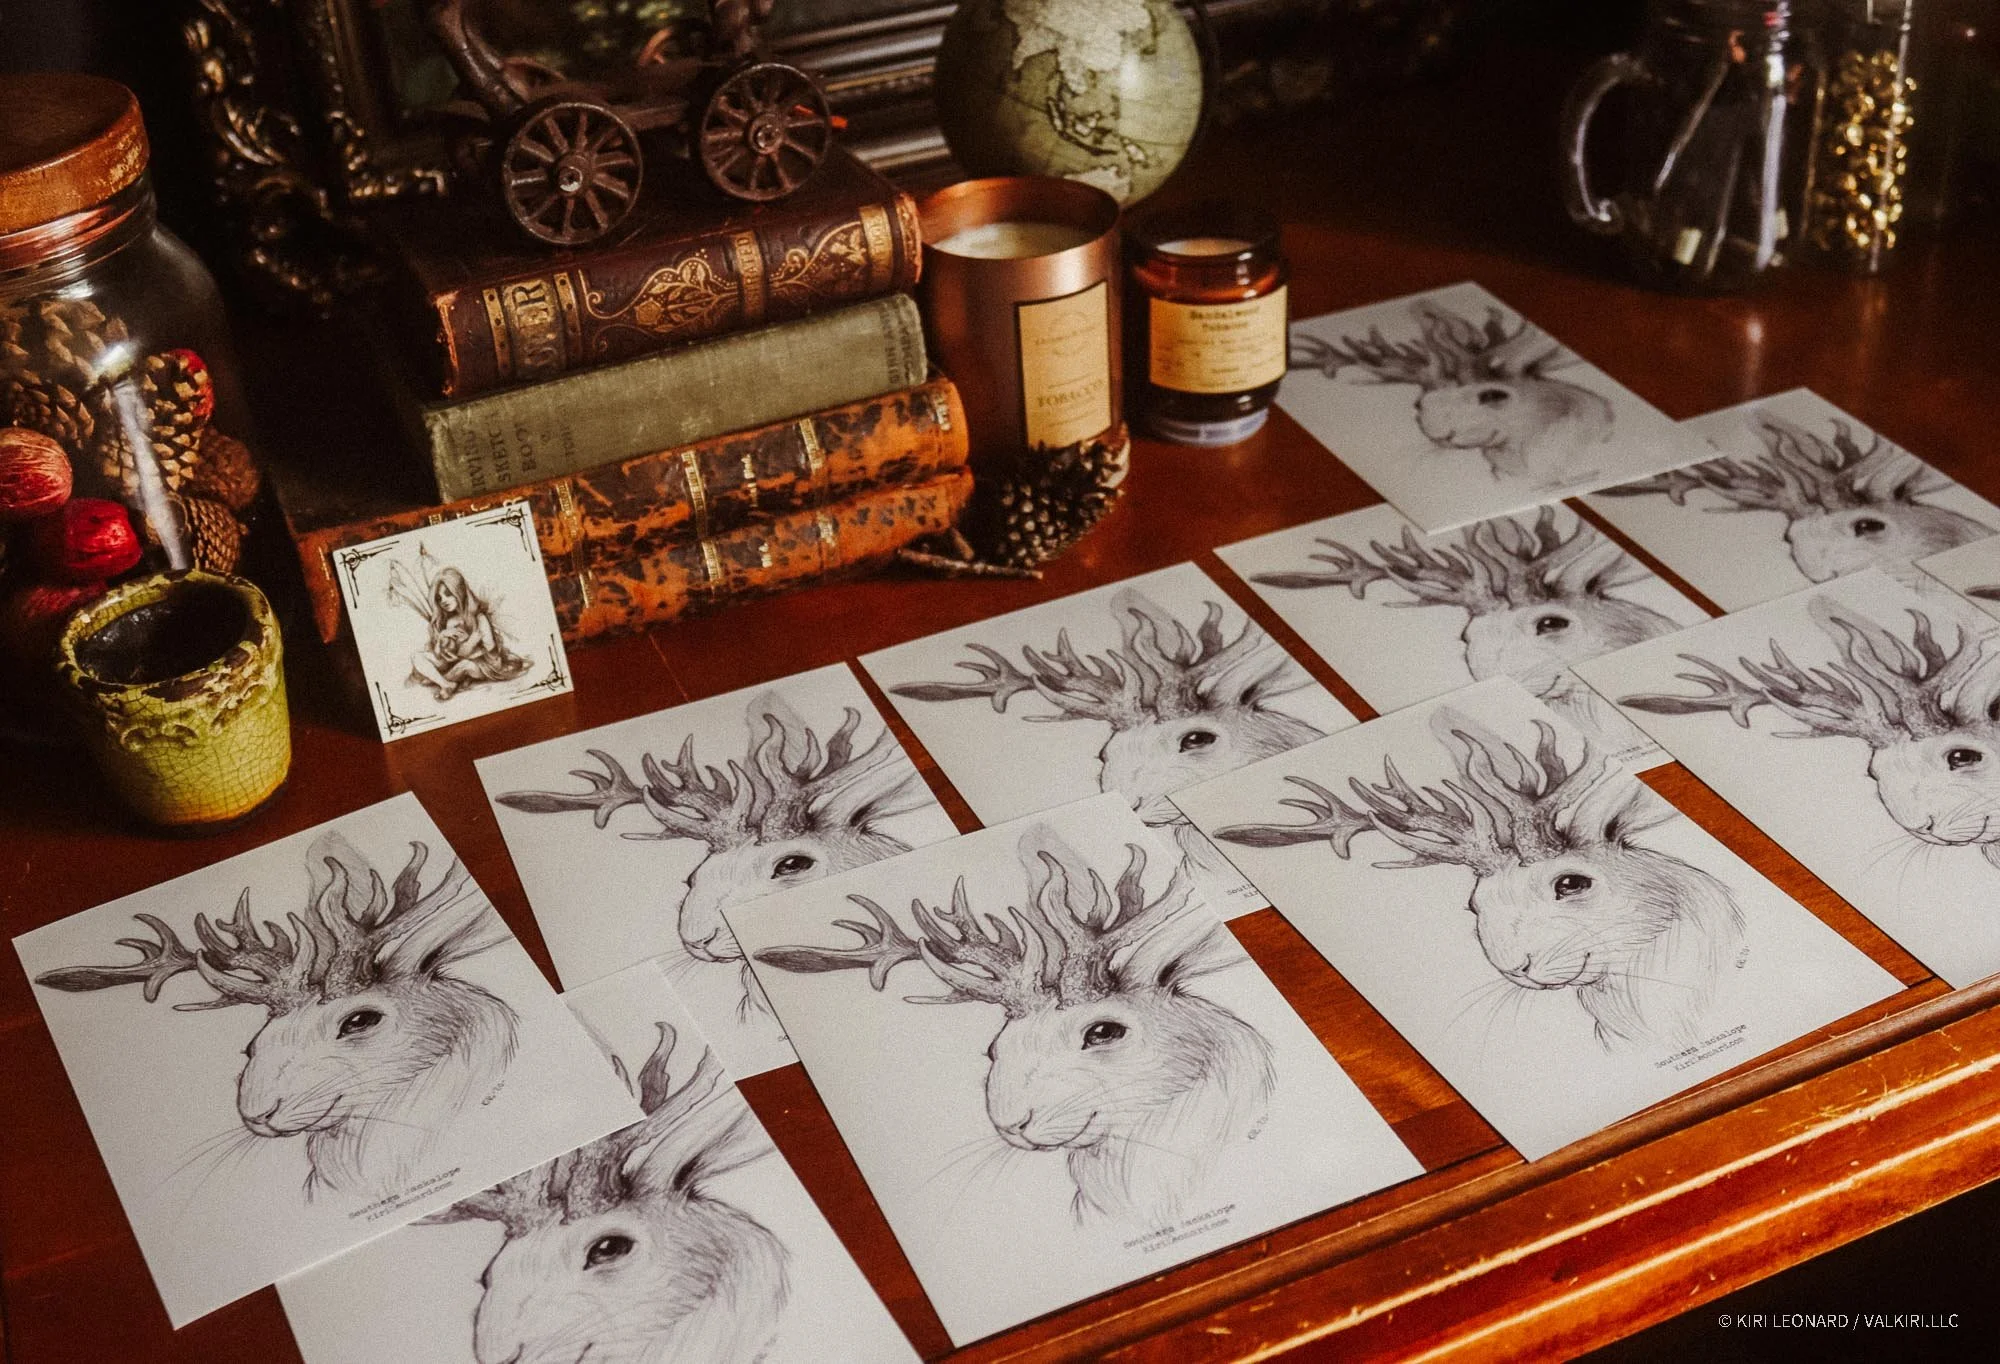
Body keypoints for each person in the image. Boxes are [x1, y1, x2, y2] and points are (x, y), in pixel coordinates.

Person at [391, 556, 531, 700]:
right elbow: (443, 653)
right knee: (417, 656)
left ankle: (437, 679)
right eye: (439, 598)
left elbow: (490, 650)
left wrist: (469, 644)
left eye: (448, 594)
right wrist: (442, 636)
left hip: (483, 664)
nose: (444, 601)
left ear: (460, 592)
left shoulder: (479, 618)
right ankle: (445, 683)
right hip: (455, 659)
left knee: (464, 666)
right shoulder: (450, 621)